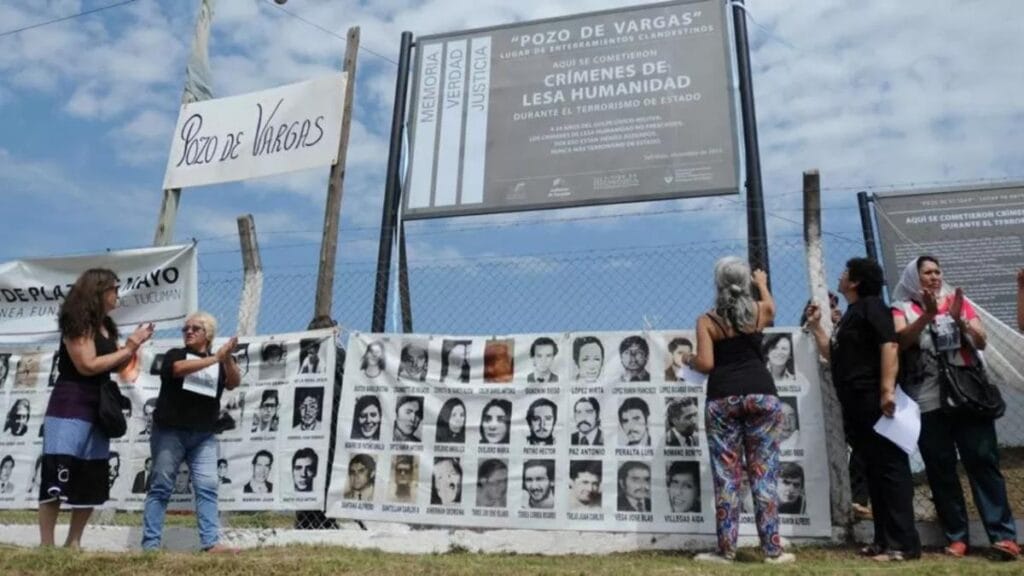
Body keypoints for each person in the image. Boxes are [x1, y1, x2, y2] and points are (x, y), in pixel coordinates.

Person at [891, 255, 1016, 560]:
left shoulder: (958, 302)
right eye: (927, 272)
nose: (934, 277)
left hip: (967, 396)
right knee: (940, 468)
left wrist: (959, 320)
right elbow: (901, 340)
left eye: (937, 272)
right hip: (928, 399)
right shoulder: (901, 307)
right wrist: (926, 316)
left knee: (982, 462)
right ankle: (957, 536)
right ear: (913, 277)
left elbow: (981, 341)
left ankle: (1003, 536)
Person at [806, 257, 922, 561]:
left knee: (890, 469)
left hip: (875, 399)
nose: (841, 277)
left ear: (856, 281)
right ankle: (883, 540)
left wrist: (886, 390)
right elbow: (833, 355)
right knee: (872, 470)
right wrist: (817, 327)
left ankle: (903, 544)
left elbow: (890, 345)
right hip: (854, 402)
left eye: (845, 273)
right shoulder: (851, 315)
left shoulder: (873, 308)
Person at [39, 268, 154, 549]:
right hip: (71, 404)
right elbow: (87, 365)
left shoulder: (106, 326)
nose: (118, 295)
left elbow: (112, 363)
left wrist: (133, 346)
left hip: (99, 405)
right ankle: (46, 545)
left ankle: (74, 542)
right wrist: (128, 348)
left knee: (92, 471)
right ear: (98, 291)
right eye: (114, 289)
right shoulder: (77, 322)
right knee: (59, 469)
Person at [690, 257, 793, 564]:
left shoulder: (707, 320)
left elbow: (706, 364)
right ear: (745, 282)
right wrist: (761, 284)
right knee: (764, 474)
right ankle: (772, 550)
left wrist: (686, 360)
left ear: (717, 284)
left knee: (727, 477)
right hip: (762, 395)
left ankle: (726, 550)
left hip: (723, 398)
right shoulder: (760, 311)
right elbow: (771, 309)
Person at [141, 311, 240, 552]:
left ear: (208, 334)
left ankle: (210, 544)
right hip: (170, 432)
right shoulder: (176, 354)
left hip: (203, 435)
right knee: (161, 487)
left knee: (207, 487)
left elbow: (233, 382)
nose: (189, 332)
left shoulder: (219, 360)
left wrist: (226, 359)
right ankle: (150, 546)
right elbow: (177, 369)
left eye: (195, 328)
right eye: (185, 328)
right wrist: (215, 358)